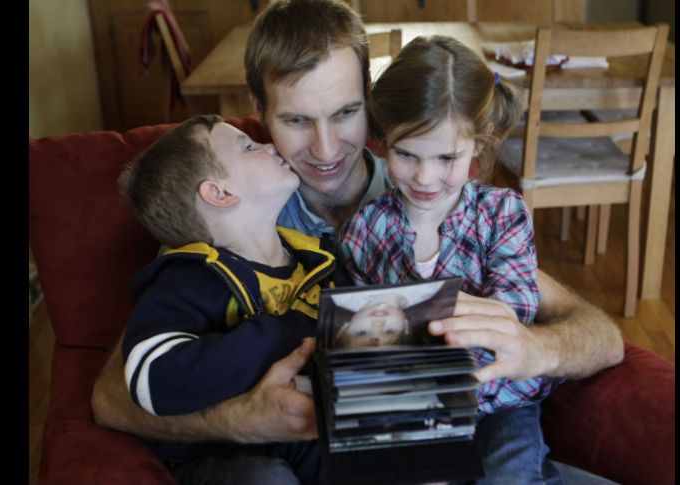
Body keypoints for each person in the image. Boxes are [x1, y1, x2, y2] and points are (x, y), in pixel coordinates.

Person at [91, 1, 624, 483]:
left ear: (371, 99)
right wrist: (242, 420)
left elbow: (599, 334)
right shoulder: (220, 231)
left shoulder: (428, 191)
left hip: (467, 422)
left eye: (345, 113)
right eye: (296, 120)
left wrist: (538, 347)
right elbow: (113, 397)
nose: (324, 149)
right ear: (260, 108)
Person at [340, 34, 563, 484]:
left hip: (502, 402)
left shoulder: (503, 213)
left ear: (477, 147)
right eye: (406, 155)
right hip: (410, 409)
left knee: (510, 475)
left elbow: (513, 313)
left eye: (447, 157)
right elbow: (362, 339)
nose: (425, 177)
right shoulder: (364, 228)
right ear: (383, 142)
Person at [118, 113, 344, 483]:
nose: (271, 145)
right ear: (219, 194)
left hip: (309, 436)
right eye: (249, 147)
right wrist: (283, 335)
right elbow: (150, 376)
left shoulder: (320, 258)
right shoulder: (192, 277)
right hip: (228, 456)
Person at [332, 292, 410, 348]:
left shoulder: (342, 297)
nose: (377, 323)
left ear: (344, 328)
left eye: (362, 332)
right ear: (405, 325)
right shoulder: (421, 293)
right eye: (390, 331)